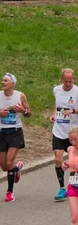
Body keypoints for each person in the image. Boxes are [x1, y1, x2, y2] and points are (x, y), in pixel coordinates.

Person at [51, 69, 78, 201]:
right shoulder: (56, 90)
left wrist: (72, 111)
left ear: (74, 79)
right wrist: (54, 114)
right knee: (58, 160)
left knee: (76, 161)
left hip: (74, 132)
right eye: (66, 81)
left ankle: (77, 187)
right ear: (62, 79)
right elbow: (57, 104)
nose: (68, 84)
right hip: (59, 130)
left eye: (70, 81)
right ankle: (62, 188)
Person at [0, 73, 30, 202]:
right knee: (4, 167)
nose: (3, 82)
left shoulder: (20, 95)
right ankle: (17, 169)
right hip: (1, 132)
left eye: (6, 80)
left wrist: (22, 110)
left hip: (15, 132)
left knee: (8, 162)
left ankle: (9, 192)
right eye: (2, 80)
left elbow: (29, 113)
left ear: (12, 83)